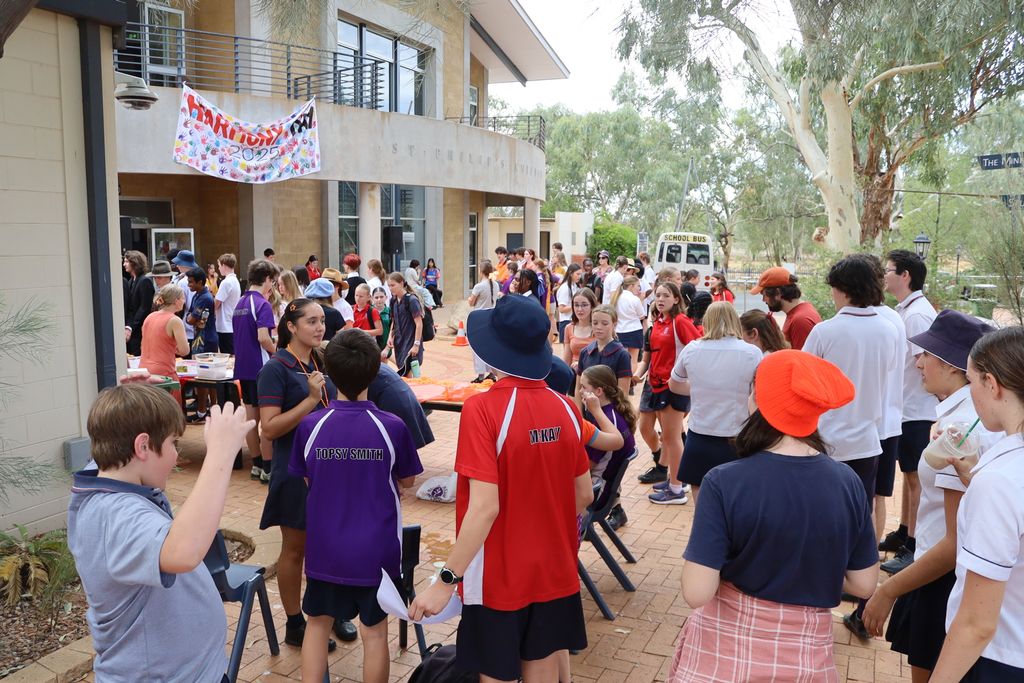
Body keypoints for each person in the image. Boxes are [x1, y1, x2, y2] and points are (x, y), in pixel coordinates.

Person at [408, 295, 593, 681]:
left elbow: (484, 507)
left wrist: (445, 581)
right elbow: (584, 495)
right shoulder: (567, 407)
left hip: (498, 579)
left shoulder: (483, 410)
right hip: (555, 571)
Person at [669, 350, 877, 682]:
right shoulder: (847, 482)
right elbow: (864, 584)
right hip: (808, 656)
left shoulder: (723, 481)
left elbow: (697, 591)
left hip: (728, 651)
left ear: (759, 400)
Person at [68, 385, 253, 683]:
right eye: (173, 443)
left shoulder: (111, 475)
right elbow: (184, 552)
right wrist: (221, 453)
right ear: (142, 447)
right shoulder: (114, 514)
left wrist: (133, 397)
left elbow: (116, 432)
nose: (176, 455)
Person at [861, 311, 997, 681]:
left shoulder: (961, 427)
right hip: (937, 569)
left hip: (941, 577)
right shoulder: (964, 414)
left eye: (927, 354)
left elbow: (954, 541)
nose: (918, 362)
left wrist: (888, 590)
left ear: (953, 365)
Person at [290, 329, 423, 683]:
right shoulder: (392, 427)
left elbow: (309, 479)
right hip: (376, 551)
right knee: (375, 633)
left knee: (317, 624)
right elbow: (408, 480)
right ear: (376, 371)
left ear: (329, 373)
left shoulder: (311, 426)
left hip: (326, 548)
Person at [256, 299, 353, 651]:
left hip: (328, 469)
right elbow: (269, 429)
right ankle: (295, 622)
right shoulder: (276, 368)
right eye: (311, 321)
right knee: (296, 549)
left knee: (329, 544)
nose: (319, 327)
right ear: (291, 326)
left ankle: (332, 610)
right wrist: (310, 400)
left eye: (321, 321)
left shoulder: (320, 360)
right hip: (295, 471)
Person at [931, 326, 1024, 682]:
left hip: (998, 658)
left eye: (971, 382)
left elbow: (976, 624)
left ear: (992, 384)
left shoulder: (1000, 481)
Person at [878, 249, 939, 575]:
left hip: (916, 409)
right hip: (906, 408)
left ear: (905, 276)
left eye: (888, 270)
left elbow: (923, 361)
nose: (884, 276)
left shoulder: (916, 315)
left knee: (916, 479)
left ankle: (913, 546)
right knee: (909, 475)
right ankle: (903, 531)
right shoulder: (907, 310)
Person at [669, 302, 761, 504]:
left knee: (702, 502)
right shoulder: (751, 352)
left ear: (707, 321)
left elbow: (674, 384)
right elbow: (758, 393)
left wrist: (699, 388)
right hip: (737, 436)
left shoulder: (692, 349)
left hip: (700, 434)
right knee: (736, 500)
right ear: (734, 320)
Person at [633, 283, 700, 494]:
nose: (660, 299)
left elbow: (698, 347)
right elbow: (651, 356)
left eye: (666, 295)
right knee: (669, 438)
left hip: (673, 387)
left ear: (676, 299)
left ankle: (677, 488)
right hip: (656, 385)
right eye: (658, 295)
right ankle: (674, 480)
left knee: (672, 438)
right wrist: (640, 374)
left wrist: (686, 376)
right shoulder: (659, 322)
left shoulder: (680, 321)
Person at [232, 259, 279, 483]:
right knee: (268, 421)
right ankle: (268, 467)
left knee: (251, 419)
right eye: (273, 281)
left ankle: (257, 463)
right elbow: (263, 338)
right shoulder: (262, 304)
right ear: (267, 279)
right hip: (261, 368)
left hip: (243, 367)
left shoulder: (240, 302)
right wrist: (277, 352)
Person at [750, 267, 821, 350]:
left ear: (777, 293)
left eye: (764, 294)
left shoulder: (800, 320)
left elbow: (801, 357)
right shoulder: (800, 312)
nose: (763, 300)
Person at [140, 284, 190, 402]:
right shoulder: (175, 320)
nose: (184, 301)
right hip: (164, 372)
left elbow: (144, 344)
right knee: (170, 409)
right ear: (176, 301)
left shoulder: (149, 317)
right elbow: (184, 351)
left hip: (144, 369)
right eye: (183, 298)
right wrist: (176, 348)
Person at [577, 304, 633, 404]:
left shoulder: (622, 354)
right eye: (595, 323)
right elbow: (578, 389)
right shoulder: (585, 352)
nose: (599, 327)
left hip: (610, 410)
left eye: (605, 323)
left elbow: (623, 394)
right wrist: (579, 412)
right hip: (587, 409)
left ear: (614, 325)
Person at [387, 272, 424, 376]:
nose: (390, 288)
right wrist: (390, 336)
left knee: (410, 372)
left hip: (411, 340)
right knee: (403, 370)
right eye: (389, 286)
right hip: (399, 341)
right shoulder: (393, 300)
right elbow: (393, 320)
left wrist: (416, 344)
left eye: (393, 285)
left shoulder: (411, 300)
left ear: (401, 283)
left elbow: (419, 323)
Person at [469, 261, 501, 383]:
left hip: (479, 318)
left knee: (477, 347)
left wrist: (470, 299)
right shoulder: (496, 284)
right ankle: (492, 372)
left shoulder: (479, 286)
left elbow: (472, 302)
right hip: (492, 317)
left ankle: (481, 374)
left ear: (481, 271)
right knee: (490, 346)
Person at [123, 251, 156, 356]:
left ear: (135, 263)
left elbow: (144, 307)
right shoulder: (130, 281)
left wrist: (132, 326)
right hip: (133, 329)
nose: (124, 264)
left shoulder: (145, 281)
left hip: (140, 329)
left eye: (127, 261)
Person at [612, 275, 647, 372]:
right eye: (638, 286)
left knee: (619, 358)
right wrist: (641, 300)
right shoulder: (634, 299)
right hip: (634, 330)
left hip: (619, 330)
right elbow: (642, 315)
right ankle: (630, 379)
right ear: (631, 286)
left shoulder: (616, 297)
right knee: (633, 360)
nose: (639, 288)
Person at [562, 288, 598, 372]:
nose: (579, 309)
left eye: (584, 305)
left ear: (592, 306)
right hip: (574, 373)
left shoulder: (599, 328)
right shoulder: (569, 328)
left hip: (594, 373)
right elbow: (567, 360)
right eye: (576, 305)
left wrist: (581, 364)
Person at [185, 268, 217, 356]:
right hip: (199, 338)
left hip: (206, 341)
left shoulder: (205, 298)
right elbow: (189, 317)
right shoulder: (196, 296)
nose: (188, 285)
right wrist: (191, 317)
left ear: (199, 282)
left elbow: (191, 320)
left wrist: (191, 317)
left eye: (190, 282)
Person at [214, 254, 241, 354]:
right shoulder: (235, 281)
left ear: (224, 265)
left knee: (227, 356)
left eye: (219, 266)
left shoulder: (226, 282)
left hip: (225, 325)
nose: (218, 268)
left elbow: (217, 303)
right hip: (230, 323)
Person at [372, 287, 391, 352]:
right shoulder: (369, 311)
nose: (379, 299)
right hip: (371, 347)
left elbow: (393, 330)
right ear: (372, 298)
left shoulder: (390, 311)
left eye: (381, 297)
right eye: (376, 297)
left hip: (386, 347)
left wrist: (387, 348)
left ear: (386, 297)